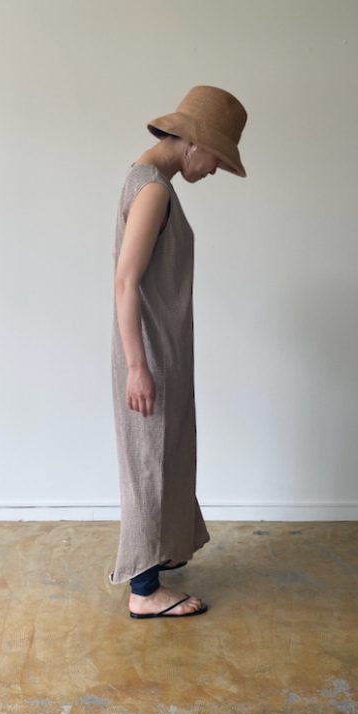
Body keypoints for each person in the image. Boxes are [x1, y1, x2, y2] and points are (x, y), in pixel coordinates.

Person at [109, 85, 248, 618]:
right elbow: (126, 282)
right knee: (148, 462)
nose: (214, 171)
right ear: (193, 143)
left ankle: (158, 561)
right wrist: (137, 367)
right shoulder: (153, 190)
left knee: (162, 456)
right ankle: (144, 592)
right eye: (217, 159)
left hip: (157, 349)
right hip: (149, 352)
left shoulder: (150, 180)